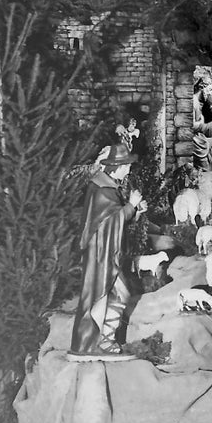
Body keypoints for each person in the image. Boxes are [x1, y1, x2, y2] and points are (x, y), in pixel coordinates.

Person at [69, 143, 147, 360]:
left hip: (104, 254)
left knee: (118, 294)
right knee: (115, 294)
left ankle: (104, 340)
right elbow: (108, 222)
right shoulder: (103, 189)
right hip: (101, 256)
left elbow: (113, 220)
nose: (129, 170)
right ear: (116, 166)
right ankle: (100, 342)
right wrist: (130, 206)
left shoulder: (106, 187)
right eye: (126, 166)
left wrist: (135, 212)